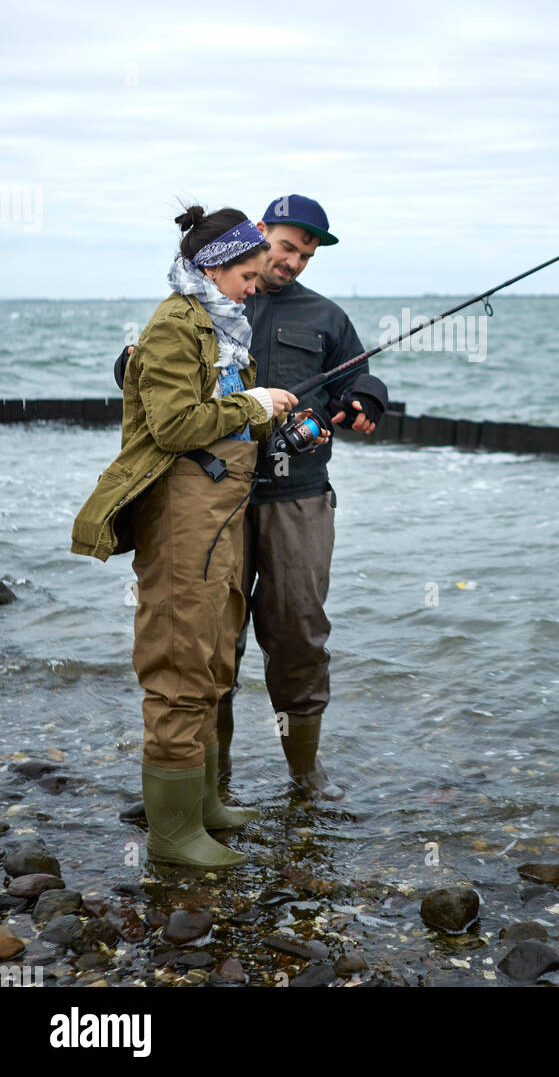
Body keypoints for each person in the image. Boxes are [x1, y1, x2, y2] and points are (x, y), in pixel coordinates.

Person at [116, 195, 388, 802]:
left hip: (299, 498)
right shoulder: (204, 305)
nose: (294, 262)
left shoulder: (324, 316)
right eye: (287, 247)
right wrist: (128, 363)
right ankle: (212, 782)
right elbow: (158, 379)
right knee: (210, 640)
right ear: (259, 235)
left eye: (306, 254)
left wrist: (365, 402)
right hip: (212, 499)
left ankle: (304, 774)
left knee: (298, 632)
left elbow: (358, 376)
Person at [72, 206, 305, 867]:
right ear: (215, 266)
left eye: (259, 275)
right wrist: (252, 406)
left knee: (212, 650)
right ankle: (173, 835)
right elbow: (175, 426)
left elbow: (222, 413)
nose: (255, 287)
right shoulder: (177, 324)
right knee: (178, 657)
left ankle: (202, 801)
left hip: (221, 511)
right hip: (181, 514)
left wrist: (265, 408)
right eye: (248, 275)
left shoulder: (221, 322)